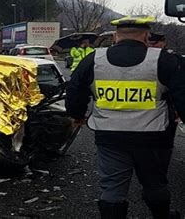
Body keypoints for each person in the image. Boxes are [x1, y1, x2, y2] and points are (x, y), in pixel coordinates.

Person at [65, 15, 185, 219]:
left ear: (115, 36)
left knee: (112, 188)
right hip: (153, 138)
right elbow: (182, 94)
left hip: (110, 138)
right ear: (147, 36)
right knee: (154, 183)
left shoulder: (94, 59)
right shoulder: (162, 60)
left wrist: (77, 115)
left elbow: (75, 90)